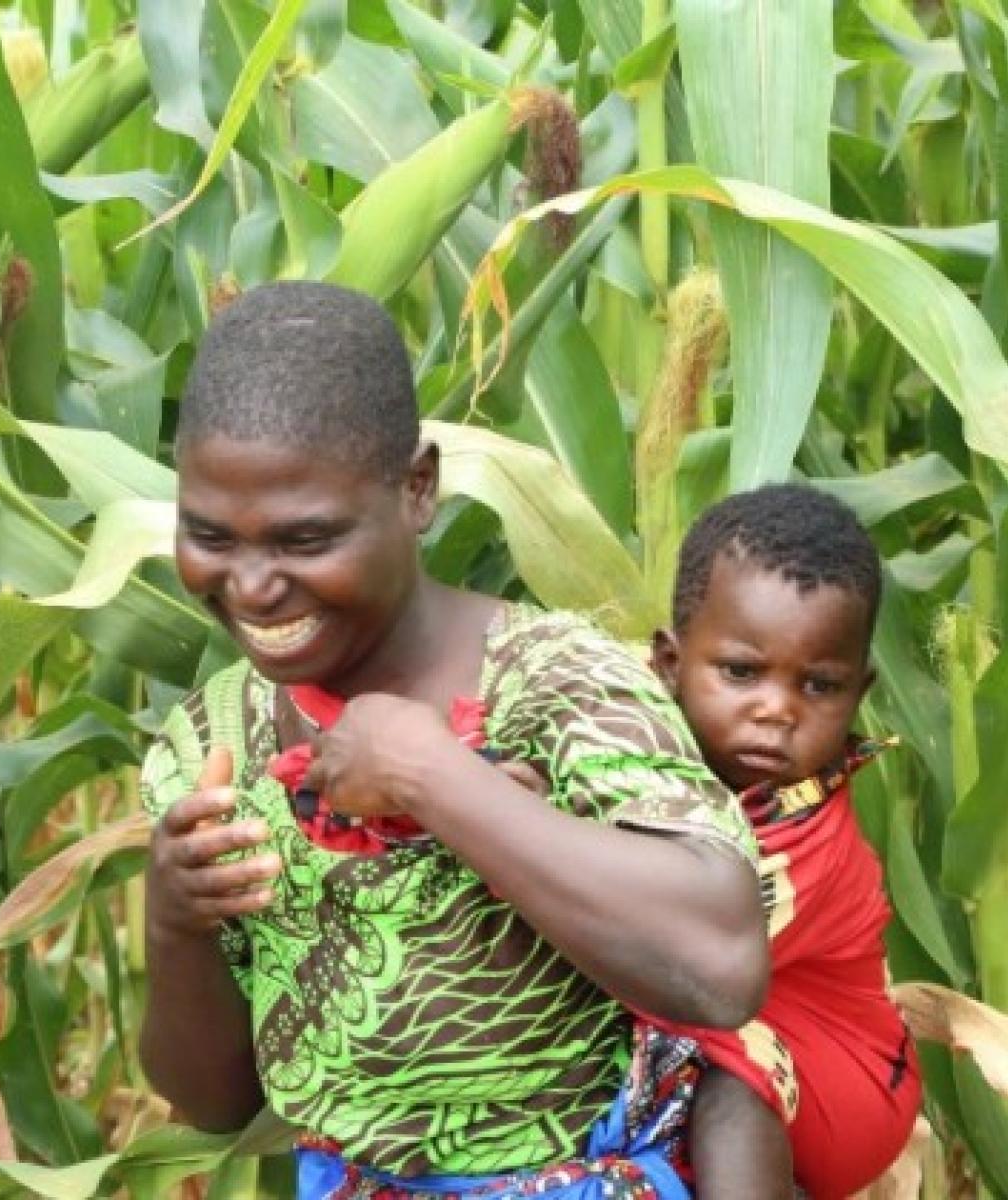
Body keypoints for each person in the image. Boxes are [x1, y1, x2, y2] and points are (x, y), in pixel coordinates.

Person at [138, 280, 769, 1200]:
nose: (253, 586)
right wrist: (174, 916)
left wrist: (431, 773)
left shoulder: (555, 680)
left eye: (306, 539)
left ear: (418, 488)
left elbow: (721, 966)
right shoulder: (208, 741)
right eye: (209, 536)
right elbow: (216, 1103)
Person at [649, 485, 922, 1200]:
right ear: (669, 664)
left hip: (845, 1080)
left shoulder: (804, 837)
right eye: (741, 672)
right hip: (763, 1032)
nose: (777, 710)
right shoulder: (645, 756)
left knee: (725, 1081)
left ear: (858, 692)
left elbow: (673, 953)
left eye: (819, 686)